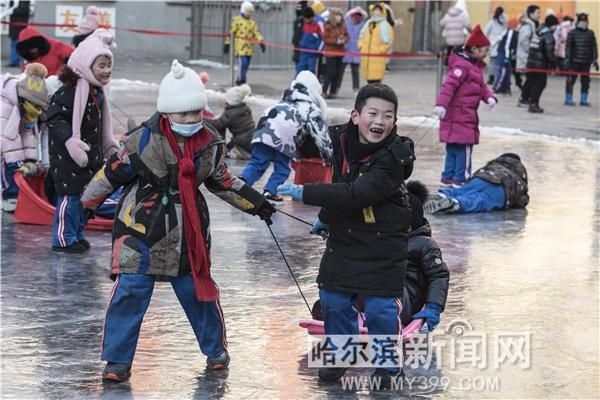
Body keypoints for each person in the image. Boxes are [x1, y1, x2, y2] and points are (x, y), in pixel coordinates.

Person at [79, 59, 276, 382]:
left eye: (197, 112)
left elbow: (223, 182)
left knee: (197, 291)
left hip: (188, 232)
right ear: (167, 113)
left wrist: (256, 203)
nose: (192, 119)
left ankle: (215, 349)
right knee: (130, 290)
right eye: (184, 114)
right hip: (139, 228)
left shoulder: (209, 142)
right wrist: (87, 202)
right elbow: (112, 172)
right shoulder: (141, 140)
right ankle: (117, 360)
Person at [278, 83, 415, 386]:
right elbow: (343, 181)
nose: (380, 121)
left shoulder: (394, 158)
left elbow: (358, 193)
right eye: (373, 113)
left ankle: (387, 361)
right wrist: (326, 218)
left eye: (388, 116)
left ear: (395, 122)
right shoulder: (343, 141)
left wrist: (306, 192)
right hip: (346, 239)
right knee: (334, 300)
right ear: (356, 116)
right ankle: (341, 356)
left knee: (379, 310)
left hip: (383, 244)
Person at [45, 29, 119, 253]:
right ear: (86, 65)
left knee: (85, 200)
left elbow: (99, 127)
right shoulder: (71, 91)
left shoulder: (96, 92)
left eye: (108, 66)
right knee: (69, 199)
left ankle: (76, 234)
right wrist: (70, 141)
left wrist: (109, 146)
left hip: (90, 158)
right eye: (101, 65)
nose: (106, 71)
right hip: (68, 158)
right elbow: (54, 119)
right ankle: (63, 240)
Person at [239, 71, 332, 202]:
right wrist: (329, 156)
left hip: (264, 129)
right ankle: (270, 191)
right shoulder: (309, 107)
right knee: (282, 167)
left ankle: (241, 185)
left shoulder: (285, 100)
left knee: (258, 162)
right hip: (285, 136)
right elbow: (320, 135)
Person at [433, 25, 497, 188]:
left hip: (462, 115)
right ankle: (461, 179)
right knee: (462, 149)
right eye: (484, 50)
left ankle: (449, 177)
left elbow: (481, 87)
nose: (486, 54)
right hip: (461, 115)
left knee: (454, 147)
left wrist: (489, 98)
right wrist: (441, 105)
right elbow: (449, 86)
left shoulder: (473, 66)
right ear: (474, 49)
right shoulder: (462, 66)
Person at [1, 63, 48, 212]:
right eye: (33, 107)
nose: (36, 111)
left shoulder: (28, 105)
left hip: (9, 135)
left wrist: (30, 160)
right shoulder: (6, 104)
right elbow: (6, 139)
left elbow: (28, 133)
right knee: (8, 163)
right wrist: (17, 162)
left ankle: (15, 195)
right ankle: (9, 197)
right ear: (23, 101)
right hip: (3, 135)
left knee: (18, 163)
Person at [402, 181, 449, 330]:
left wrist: (433, 307)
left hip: (406, 296)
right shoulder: (381, 239)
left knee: (387, 283)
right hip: (374, 293)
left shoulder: (424, 244)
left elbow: (439, 275)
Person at [425, 153, 528, 214]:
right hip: (504, 190)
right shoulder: (520, 175)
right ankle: (456, 203)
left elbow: (477, 173)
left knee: (462, 190)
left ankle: (442, 194)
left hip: (484, 177)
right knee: (479, 201)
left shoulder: (494, 164)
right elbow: (523, 200)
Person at [205, 84, 254, 160]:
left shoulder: (231, 113)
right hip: (250, 137)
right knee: (233, 145)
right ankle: (240, 151)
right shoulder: (245, 108)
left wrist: (202, 119)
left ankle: (234, 152)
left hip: (240, 141)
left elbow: (217, 124)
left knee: (228, 149)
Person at [223, 1, 265, 86]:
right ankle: (242, 80)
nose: (249, 14)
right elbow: (231, 33)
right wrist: (227, 43)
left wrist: (261, 42)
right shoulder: (237, 21)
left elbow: (257, 33)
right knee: (243, 64)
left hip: (249, 49)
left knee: (246, 66)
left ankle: (241, 78)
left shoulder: (252, 23)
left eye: (251, 12)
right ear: (243, 10)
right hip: (240, 48)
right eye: (248, 12)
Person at [523, 14, 559, 113]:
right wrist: (554, 64)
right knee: (540, 84)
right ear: (552, 25)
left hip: (531, 63)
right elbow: (549, 52)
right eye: (556, 25)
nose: (556, 28)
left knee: (534, 83)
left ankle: (532, 102)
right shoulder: (548, 35)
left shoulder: (538, 31)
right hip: (540, 65)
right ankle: (534, 104)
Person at [565, 13, 599, 107]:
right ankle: (568, 99)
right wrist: (567, 58)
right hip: (574, 61)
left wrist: (595, 59)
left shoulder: (590, 33)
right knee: (570, 80)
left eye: (585, 21)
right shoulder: (572, 33)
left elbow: (594, 47)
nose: (584, 23)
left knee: (585, 82)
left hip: (586, 62)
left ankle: (584, 100)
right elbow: (568, 47)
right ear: (578, 22)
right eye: (582, 21)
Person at [358, 3, 394, 84]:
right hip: (366, 56)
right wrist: (361, 47)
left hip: (377, 57)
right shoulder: (368, 23)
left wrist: (380, 50)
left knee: (376, 81)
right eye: (374, 10)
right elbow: (361, 36)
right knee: (368, 80)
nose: (376, 12)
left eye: (378, 10)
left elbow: (388, 41)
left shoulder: (385, 25)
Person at [517, 4, 541, 107]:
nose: (539, 15)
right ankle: (524, 99)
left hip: (527, 57)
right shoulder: (527, 25)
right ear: (531, 14)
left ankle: (525, 98)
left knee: (530, 79)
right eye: (538, 13)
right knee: (531, 79)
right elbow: (523, 40)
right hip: (525, 57)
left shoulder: (531, 24)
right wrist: (531, 51)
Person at [321, 8, 348, 99]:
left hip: (340, 52)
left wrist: (344, 39)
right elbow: (325, 38)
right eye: (337, 15)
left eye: (340, 15)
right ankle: (324, 90)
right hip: (330, 52)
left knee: (338, 73)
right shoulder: (328, 26)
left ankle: (333, 92)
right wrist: (336, 41)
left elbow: (347, 35)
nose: (339, 17)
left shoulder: (342, 26)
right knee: (331, 72)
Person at [341, 6, 367, 92]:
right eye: (354, 15)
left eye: (358, 16)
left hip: (357, 51)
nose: (356, 18)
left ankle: (356, 88)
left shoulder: (363, 25)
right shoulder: (345, 23)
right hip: (345, 50)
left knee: (355, 71)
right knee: (340, 71)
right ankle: (336, 87)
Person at [440, 0, 471, 66]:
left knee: (449, 51)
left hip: (449, 39)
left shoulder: (448, 14)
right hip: (460, 39)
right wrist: (471, 31)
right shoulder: (462, 14)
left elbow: (441, 23)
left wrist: (447, 27)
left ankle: (447, 64)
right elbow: (467, 25)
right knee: (460, 52)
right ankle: (458, 65)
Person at [493, 21, 519, 95]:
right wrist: (507, 58)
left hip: (505, 53)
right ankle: (497, 88)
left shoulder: (508, 31)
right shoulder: (511, 32)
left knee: (507, 71)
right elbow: (507, 46)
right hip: (504, 54)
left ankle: (505, 87)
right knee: (502, 71)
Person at [484, 6, 507, 85]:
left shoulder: (492, 21)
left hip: (492, 44)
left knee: (492, 63)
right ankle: (498, 78)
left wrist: (487, 42)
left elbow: (485, 32)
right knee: (499, 63)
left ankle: (491, 78)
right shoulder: (504, 21)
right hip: (500, 45)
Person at [296, 6, 322, 75]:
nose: (304, 20)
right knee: (300, 70)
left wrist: (316, 49)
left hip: (312, 54)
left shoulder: (317, 26)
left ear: (311, 17)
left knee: (311, 71)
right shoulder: (304, 25)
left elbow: (321, 39)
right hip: (303, 52)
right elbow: (301, 36)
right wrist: (301, 43)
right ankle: (296, 84)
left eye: (306, 18)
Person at [7, 0, 31, 67]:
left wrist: (13, 10)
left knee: (18, 44)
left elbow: (25, 11)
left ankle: (17, 61)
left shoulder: (25, 2)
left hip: (20, 27)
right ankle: (14, 61)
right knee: (13, 44)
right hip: (13, 26)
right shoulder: (12, 1)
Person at [292, 1, 308, 68]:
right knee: (297, 62)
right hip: (297, 45)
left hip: (303, 46)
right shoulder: (297, 20)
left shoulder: (305, 21)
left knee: (302, 66)